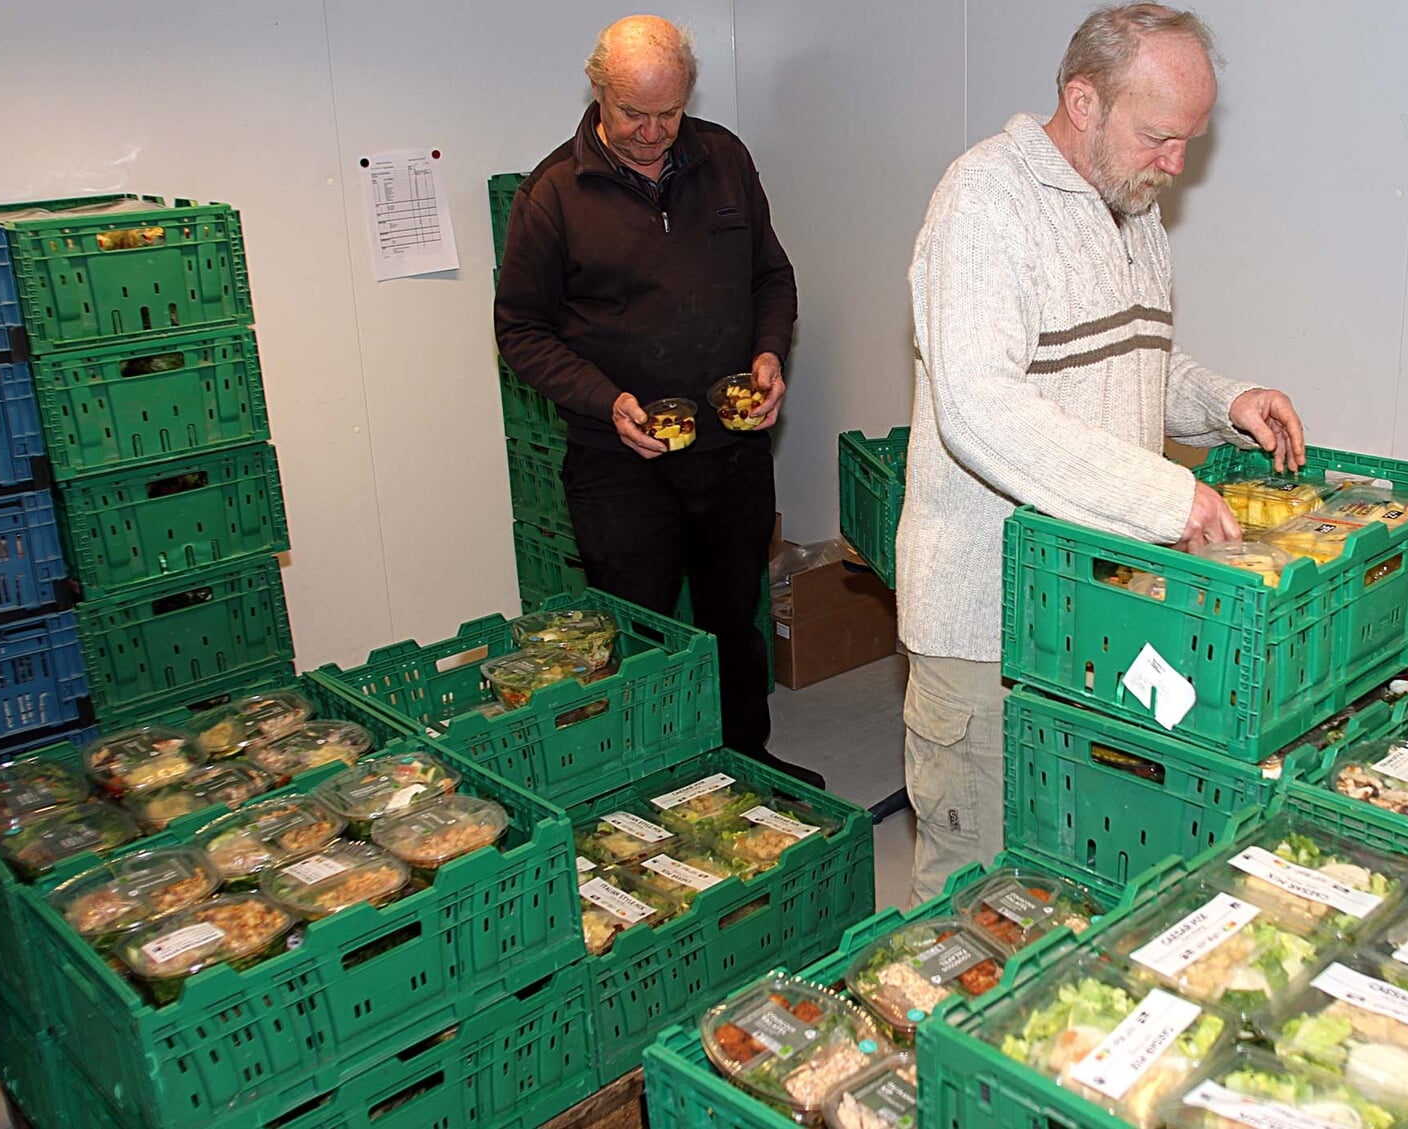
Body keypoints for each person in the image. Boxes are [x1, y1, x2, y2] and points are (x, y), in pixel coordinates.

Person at [896, 3, 1307, 900]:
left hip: (1095, 608)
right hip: (988, 625)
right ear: (1083, 101)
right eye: (1160, 135)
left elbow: (1126, 367)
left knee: (1071, 869)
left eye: (1190, 139)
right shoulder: (983, 204)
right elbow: (981, 407)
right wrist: (1167, 499)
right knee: (974, 898)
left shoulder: (1131, 204)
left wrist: (1221, 400)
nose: (1176, 163)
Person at [496, 16, 821, 787]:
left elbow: (771, 276)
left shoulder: (726, 159)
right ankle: (646, 784)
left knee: (732, 619)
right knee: (638, 632)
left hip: (732, 450)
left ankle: (747, 765)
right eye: (632, 114)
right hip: (620, 463)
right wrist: (605, 401)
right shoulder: (553, 194)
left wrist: (770, 350)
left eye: (668, 113)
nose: (651, 133)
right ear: (597, 92)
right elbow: (519, 329)